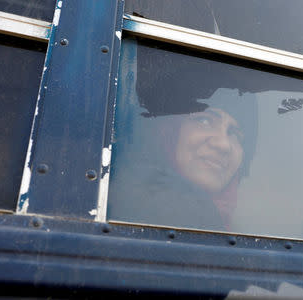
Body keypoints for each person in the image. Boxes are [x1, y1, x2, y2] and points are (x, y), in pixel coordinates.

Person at [108, 39, 258, 231]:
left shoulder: (222, 226)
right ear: (168, 131)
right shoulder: (127, 203)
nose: (223, 144)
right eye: (204, 121)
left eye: (235, 134)